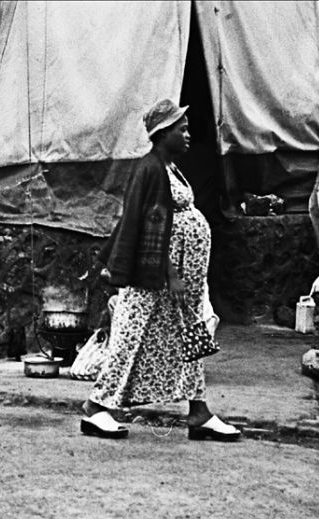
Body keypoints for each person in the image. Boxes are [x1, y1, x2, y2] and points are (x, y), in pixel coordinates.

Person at [80, 99, 241, 442]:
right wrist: (170, 273)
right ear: (162, 133)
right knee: (130, 333)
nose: (188, 135)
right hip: (154, 275)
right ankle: (96, 408)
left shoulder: (170, 168)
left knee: (191, 333)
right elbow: (145, 222)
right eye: (181, 129)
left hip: (183, 278)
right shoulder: (149, 168)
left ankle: (199, 411)